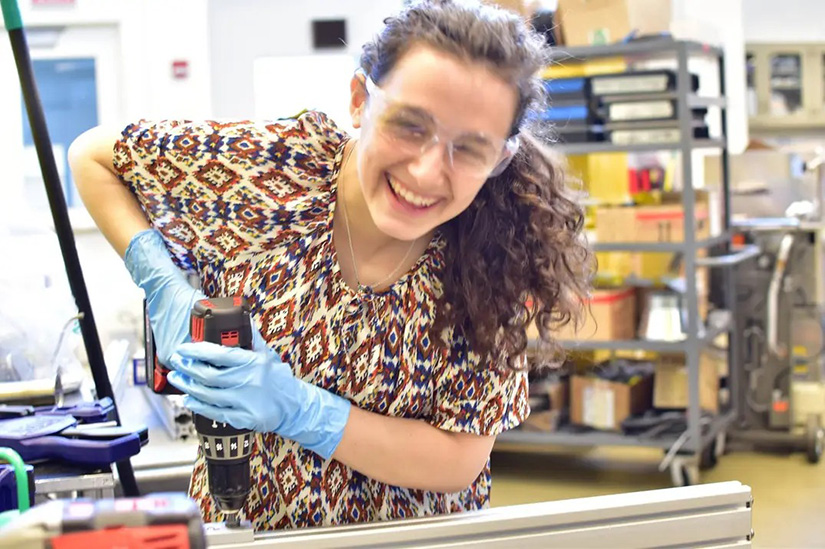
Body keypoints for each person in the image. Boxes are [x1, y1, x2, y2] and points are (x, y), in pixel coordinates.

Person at [69, 0, 592, 531]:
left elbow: (458, 460)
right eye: (410, 126)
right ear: (361, 100)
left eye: (471, 149)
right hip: (245, 532)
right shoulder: (273, 170)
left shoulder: (493, 252)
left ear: (500, 159)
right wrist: (163, 286)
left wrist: (301, 410)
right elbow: (92, 157)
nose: (429, 172)